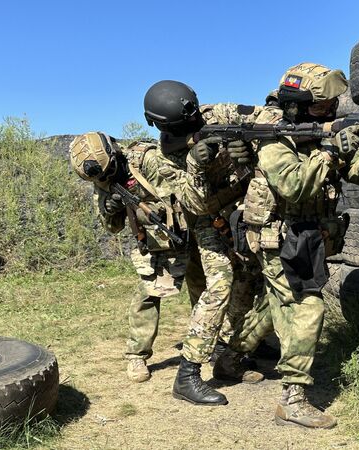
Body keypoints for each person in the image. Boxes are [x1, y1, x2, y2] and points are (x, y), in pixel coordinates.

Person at [217, 62, 359, 428]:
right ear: (298, 105)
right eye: (322, 107)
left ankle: (230, 359)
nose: (331, 111)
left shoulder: (323, 134)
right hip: (276, 237)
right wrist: (329, 152)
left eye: (332, 105)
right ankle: (293, 398)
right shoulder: (273, 138)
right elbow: (293, 185)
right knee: (309, 307)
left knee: (274, 305)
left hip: (307, 238)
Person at [143, 80, 265, 406]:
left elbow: (264, 119)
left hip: (240, 209)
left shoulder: (218, 114)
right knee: (221, 283)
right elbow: (193, 204)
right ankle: (188, 374)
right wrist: (196, 164)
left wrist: (249, 151)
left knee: (250, 278)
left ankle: (227, 355)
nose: (196, 123)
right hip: (206, 220)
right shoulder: (160, 159)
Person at [69, 131, 206, 384]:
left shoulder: (147, 160)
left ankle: (209, 343)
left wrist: (145, 209)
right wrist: (112, 207)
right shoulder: (102, 180)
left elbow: (183, 195)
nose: (106, 178)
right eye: (101, 178)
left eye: (109, 172)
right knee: (147, 295)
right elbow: (111, 227)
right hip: (159, 242)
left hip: (192, 230)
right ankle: (137, 355)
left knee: (204, 290)